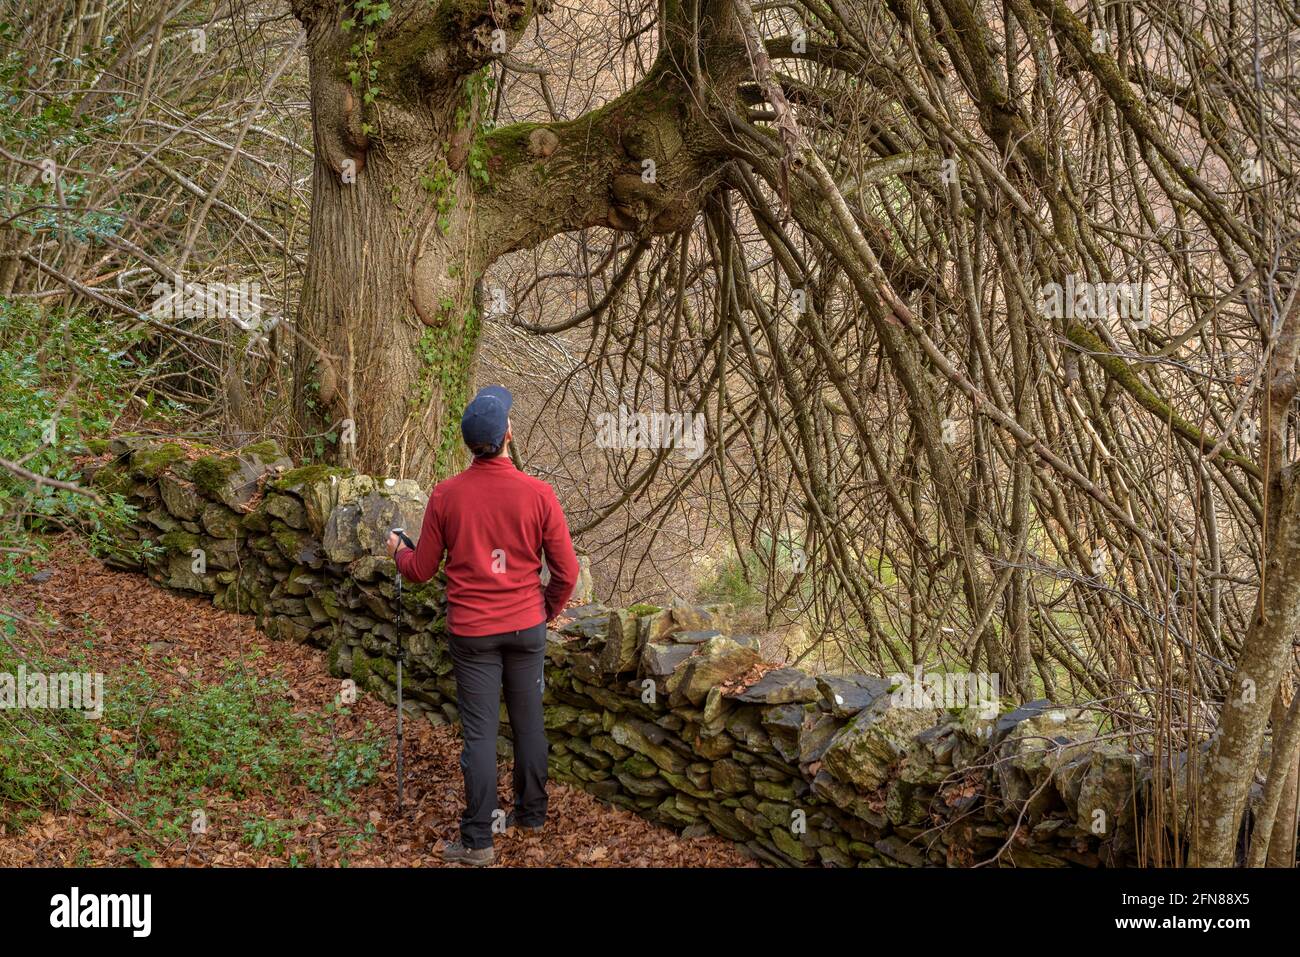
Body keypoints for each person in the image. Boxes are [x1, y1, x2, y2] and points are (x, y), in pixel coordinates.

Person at [387, 385, 579, 866]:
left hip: (473, 633)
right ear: (507, 435)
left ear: (470, 445)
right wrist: (544, 611)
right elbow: (567, 572)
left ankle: (479, 841)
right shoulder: (539, 494)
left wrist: (396, 551)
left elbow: (421, 569)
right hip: (525, 628)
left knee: (479, 734)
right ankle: (531, 814)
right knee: (529, 724)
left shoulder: (448, 495)